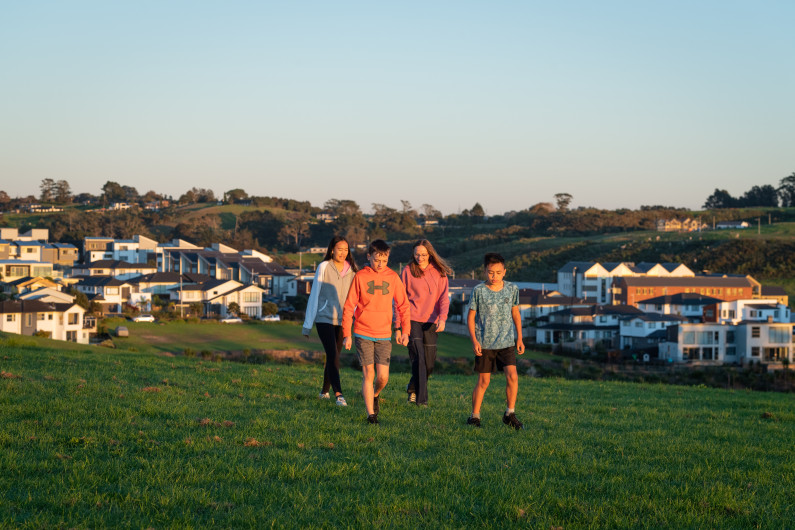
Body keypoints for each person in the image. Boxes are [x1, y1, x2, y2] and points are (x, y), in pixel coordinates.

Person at [342, 239, 411, 424]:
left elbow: (403, 305)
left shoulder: (393, 277)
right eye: (376, 260)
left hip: (383, 334)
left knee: (383, 377)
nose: (380, 264)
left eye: (384, 260)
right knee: (369, 374)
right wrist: (347, 334)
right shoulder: (360, 276)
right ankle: (371, 415)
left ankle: (375, 394)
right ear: (369, 257)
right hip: (362, 331)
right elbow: (349, 306)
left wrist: (405, 330)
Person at [466, 253, 525, 429]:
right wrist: (474, 340)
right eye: (491, 272)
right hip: (485, 344)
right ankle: (474, 417)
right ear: (485, 271)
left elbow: (515, 313)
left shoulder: (512, 289)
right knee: (484, 382)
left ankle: (510, 413)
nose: (494, 276)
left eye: (498, 273)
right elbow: (470, 317)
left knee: (513, 377)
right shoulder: (478, 291)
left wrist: (519, 337)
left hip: (507, 342)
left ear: (504, 272)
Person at [302, 236, 358, 407]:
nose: (342, 253)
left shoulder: (353, 271)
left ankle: (324, 391)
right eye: (339, 249)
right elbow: (315, 294)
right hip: (324, 317)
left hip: (343, 320)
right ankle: (339, 394)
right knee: (333, 354)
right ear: (332, 249)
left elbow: (355, 300)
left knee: (334, 356)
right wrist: (307, 324)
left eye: (346, 249)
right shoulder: (324, 267)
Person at [395, 239, 451, 406]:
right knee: (419, 359)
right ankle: (421, 400)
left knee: (429, 363)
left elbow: (443, 299)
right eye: (417, 254)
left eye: (424, 255)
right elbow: (399, 300)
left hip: (431, 321)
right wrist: (398, 326)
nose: (420, 258)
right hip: (411, 319)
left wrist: (443, 318)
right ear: (413, 254)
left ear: (430, 254)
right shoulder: (407, 271)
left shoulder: (440, 272)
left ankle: (412, 386)